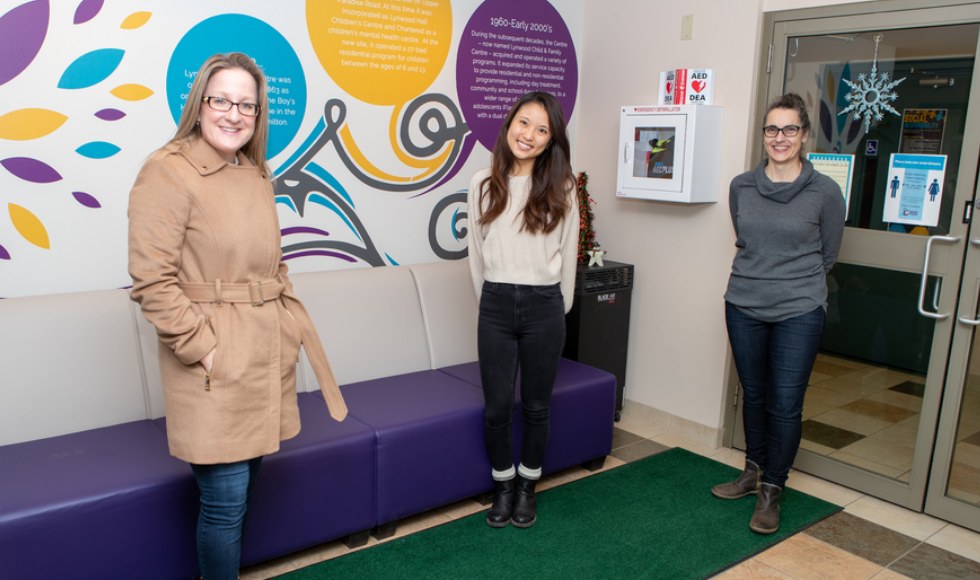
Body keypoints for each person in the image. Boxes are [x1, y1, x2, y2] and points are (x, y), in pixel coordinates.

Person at [128, 52, 347, 580]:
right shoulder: (168, 171)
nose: (234, 114)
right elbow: (151, 281)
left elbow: (271, 262)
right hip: (213, 361)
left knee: (242, 492)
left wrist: (282, 324)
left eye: (246, 104)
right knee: (224, 502)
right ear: (199, 105)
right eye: (222, 100)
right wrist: (203, 348)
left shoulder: (252, 170)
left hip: (263, 351)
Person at [712, 93, 845, 535]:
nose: (780, 138)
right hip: (744, 303)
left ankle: (772, 489)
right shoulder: (741, 186)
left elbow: (828, 254)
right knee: (754, 395)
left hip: (799, 309)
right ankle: (751, 472)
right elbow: (745, 239)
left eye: (790, 129)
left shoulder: (825, 192)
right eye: (772, 129)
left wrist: (794, 285)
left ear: (804, 135)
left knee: (786, 405)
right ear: (763, 134)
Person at [467, 91, 579, 529]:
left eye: (541, 129)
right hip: (495, 304)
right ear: (509, 123)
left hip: (544, 306)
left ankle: (528, 489)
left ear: (551, 141)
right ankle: (503, 486)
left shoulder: (562, 188)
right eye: (523, 122)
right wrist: (490, 299)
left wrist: (557, 308)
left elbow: (568, 256)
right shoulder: (481, 183)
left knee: (536, 407)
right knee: (496, 409)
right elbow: (475, 254)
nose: (528, 134)